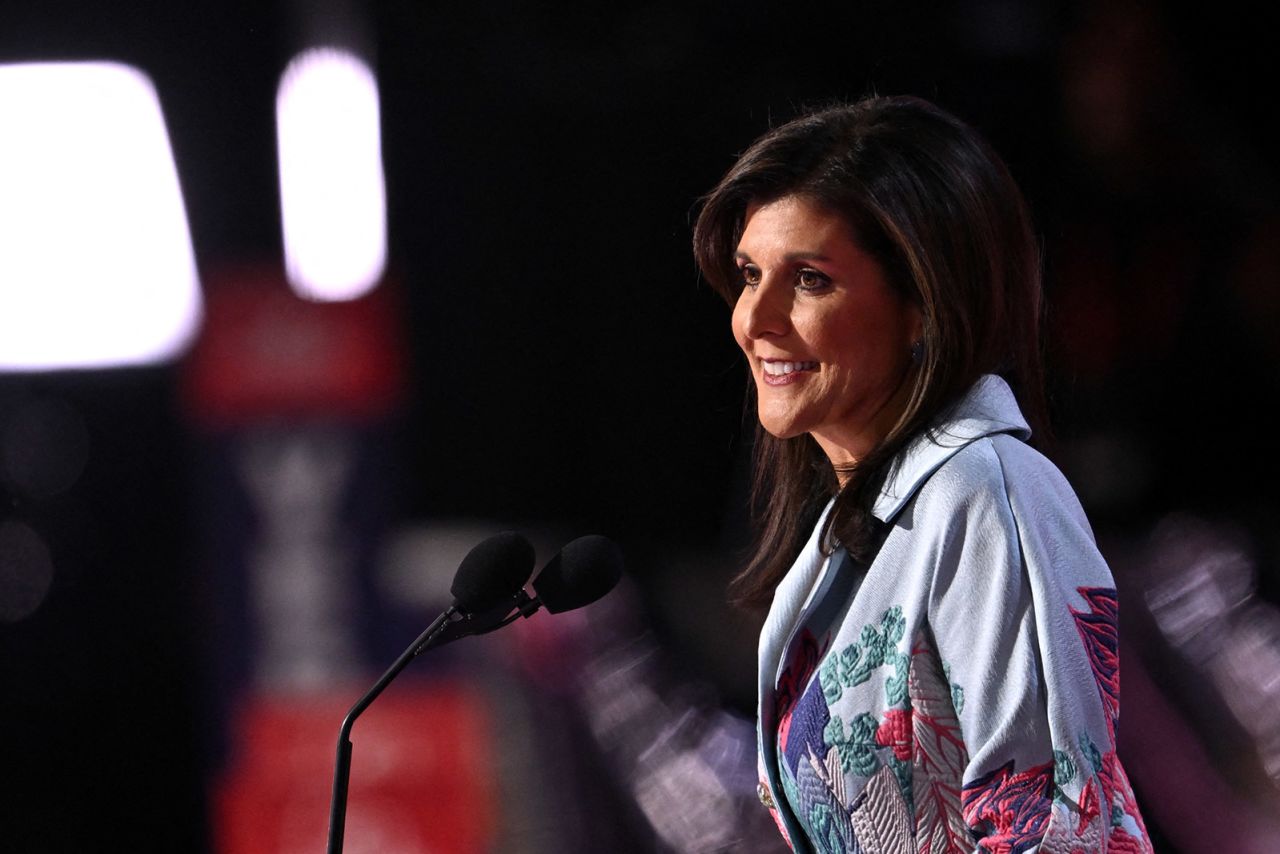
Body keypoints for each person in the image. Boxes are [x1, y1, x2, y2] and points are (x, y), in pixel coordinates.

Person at [692, 96, 1153, 853]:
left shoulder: (986, 492)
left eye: (809, 279)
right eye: (749, 274)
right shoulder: (857, 529)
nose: (755, 318)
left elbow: (1058, 829)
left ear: (922, 306)